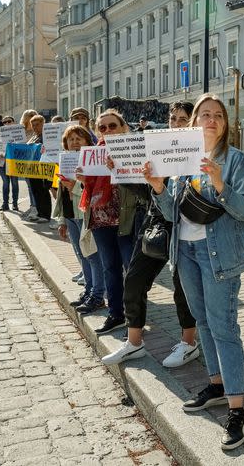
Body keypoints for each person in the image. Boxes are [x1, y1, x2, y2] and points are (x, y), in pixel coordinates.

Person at [145, 93, 244, 450]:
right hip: (187, 252)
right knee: (203, 320)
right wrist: (159, 186)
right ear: (193, 122)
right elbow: (170, 210)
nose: (211, 120)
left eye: (218, 116)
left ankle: (237, 408)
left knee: (224, 327)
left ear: (225, 124)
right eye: (204, 114)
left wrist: (221, 184)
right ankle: (217, 385)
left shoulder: (235, 160)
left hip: (219, 254)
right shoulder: (182, 157)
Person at [102, 101, 199, 368]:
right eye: (173, 119)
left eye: (182, 120)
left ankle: (189, 343)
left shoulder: (197, 151)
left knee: (183, 288)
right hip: (156, 222)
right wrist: (120, 171)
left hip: (186, 224)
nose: (176, 124)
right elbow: (147, 194)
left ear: (192, 123)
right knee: (134, 280)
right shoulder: (157, 148)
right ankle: (134, 344)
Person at [77, 109, 147, 333]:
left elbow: (143, 186)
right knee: (110, 269)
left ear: (123, 127)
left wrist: (120, 169)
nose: (107, 130)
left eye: (112, 125)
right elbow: (89, 189)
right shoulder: (93, 153)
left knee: (132, 272)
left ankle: (134, 320)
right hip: (100, 220)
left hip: (127, 219)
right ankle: (115, 314)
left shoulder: (134, 149)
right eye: (103, 127)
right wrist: (82, 179)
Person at [53, 125, 105, 314]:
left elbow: (92, 192)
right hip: (70, 215)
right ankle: (89, 291)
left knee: (92, 256)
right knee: (81, 255)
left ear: (87, 142)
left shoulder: (92, 163)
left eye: (79, 139)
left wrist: (75, 186)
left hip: (85, 215)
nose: (74, 142)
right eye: (70, 139)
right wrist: (61, 220)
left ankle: (98, 295)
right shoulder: (64, 160)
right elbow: (60, 192)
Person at [24, 115, 51, 223]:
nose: (35, 127)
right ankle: (40, 213)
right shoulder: (34, 136)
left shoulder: (47, 136)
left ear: (43, 124)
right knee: (36, 191)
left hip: (42, 168)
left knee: (43, 191)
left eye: (37, 125)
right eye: (33, 125)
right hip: (32, 169)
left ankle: (45, 215)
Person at [0, 115, 19, 211]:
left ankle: (15, 204)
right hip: (1, 160)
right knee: (5, 183)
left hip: (13, 161)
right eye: (4, 122)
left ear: (13, 122)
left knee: (14, 183)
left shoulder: (18, 133)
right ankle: (5, 203)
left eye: (9, 121)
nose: (6, 123)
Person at [20, 109, 38, 218]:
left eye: (33, 115)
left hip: (36, 163)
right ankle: (32, 206)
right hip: (25, 162)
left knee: (35, 187)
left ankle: (35, 207)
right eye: (30, 116)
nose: (32, 118)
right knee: (29, 186)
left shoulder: (37, 131)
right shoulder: (21, 131)